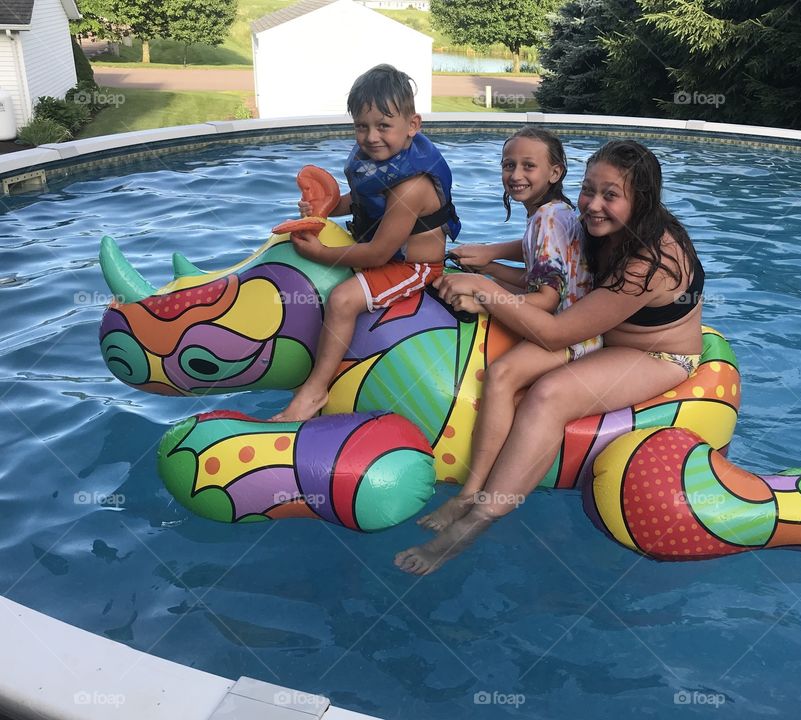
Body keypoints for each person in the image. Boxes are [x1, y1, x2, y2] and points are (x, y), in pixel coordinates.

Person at [395, 140, 705, 575]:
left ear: (641, 201)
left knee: (548, 395)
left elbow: (557, 332)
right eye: (588, 190)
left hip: (655, 354)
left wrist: (484, 288)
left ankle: (480, 516)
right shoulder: (602, 222)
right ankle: (472, 493)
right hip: (601, 332)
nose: (592, 205)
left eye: (610, 195)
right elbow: (556, 239)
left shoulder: (650, 263)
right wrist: (492, 254)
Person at [414, 127, 601, 533]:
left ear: (555, 172)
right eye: (508, 165)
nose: (516, 174)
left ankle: (471, 492)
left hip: (572, 333)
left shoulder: (548, 220)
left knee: (501, 375)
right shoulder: (555, 213)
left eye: (528, 166)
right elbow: (539, 278)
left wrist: (483, 296)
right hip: (565, 318)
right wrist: (489, 266)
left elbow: (546, 300)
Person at [270, 64, 460, 422]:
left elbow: (379, 253)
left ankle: (315, 391)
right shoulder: (381, 161)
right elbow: (361, 203)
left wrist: (322, 254)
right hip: (385, 256)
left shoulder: (411, 186)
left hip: (412, 267)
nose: (371, 137)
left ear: (412, 125)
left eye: (383, 126)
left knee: (342, 300)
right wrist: (325, 208)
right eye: (362, 126)